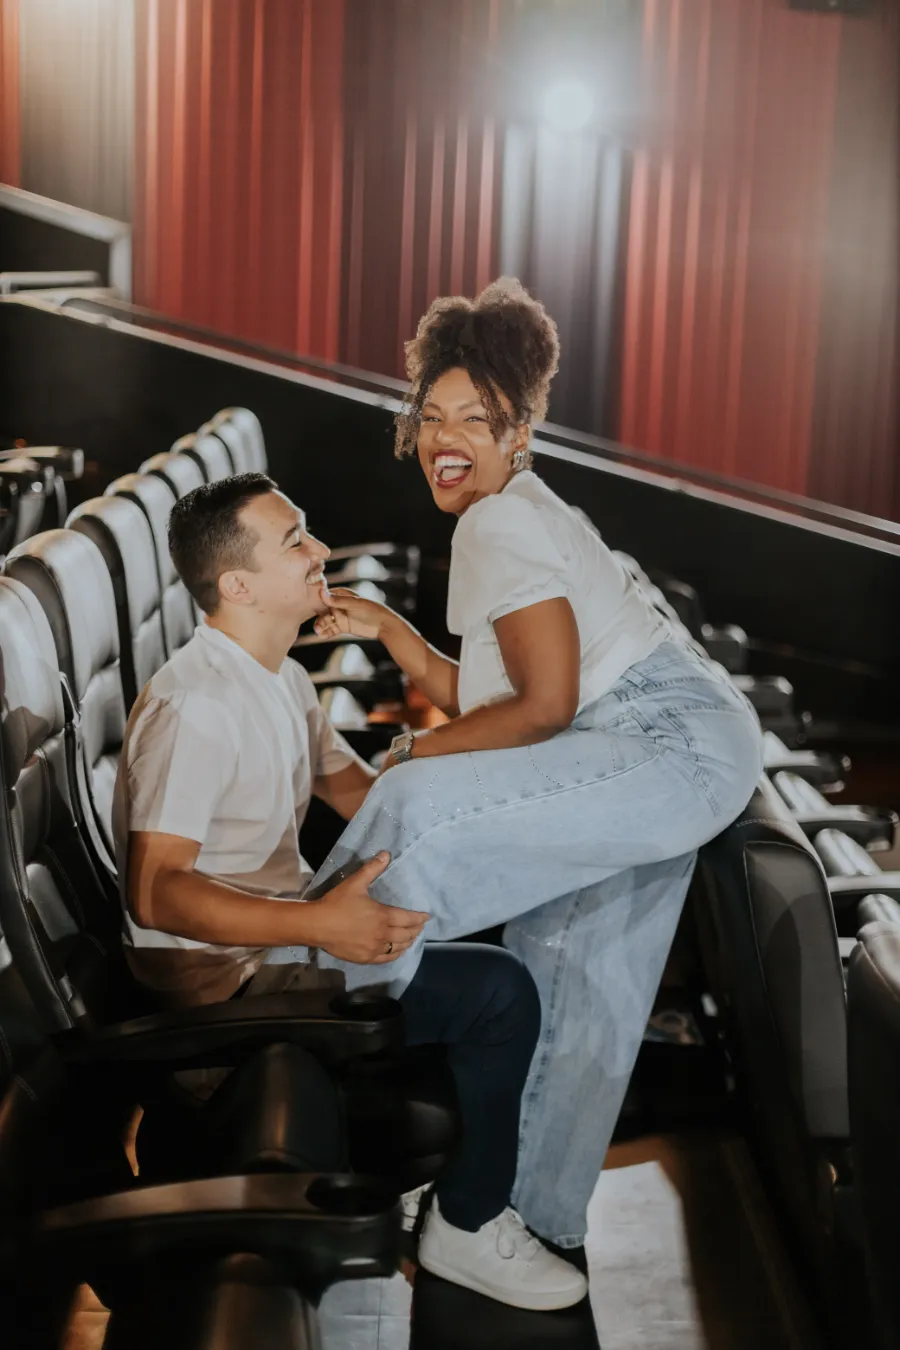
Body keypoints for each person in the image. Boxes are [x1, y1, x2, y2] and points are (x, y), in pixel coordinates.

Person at [309, 277, 765, 1258]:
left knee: (417, 807)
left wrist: (409, 752)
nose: (446, 436)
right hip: (678, 740)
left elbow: (543, 707)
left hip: (661, 741)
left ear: (520, 429)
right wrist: (390, 630)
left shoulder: (497, 522)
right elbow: (497, 698)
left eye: (477, 418)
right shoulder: (515, 510)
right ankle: (525, 1221)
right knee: (582, 978)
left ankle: (291, 1008)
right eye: (432, 414)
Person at [112, 472, 587, 1312]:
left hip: (277, 946)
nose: (320, 549)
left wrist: (501, 811)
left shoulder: (282, 681)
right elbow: (158, 894)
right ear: (237, 585)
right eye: (295, 539)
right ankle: (468, 1226)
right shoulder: (196, 706)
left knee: (487, 934)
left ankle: (442, 1192)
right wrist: (322, 924)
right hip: (224, 993)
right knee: (498, 994)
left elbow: (363, 796)